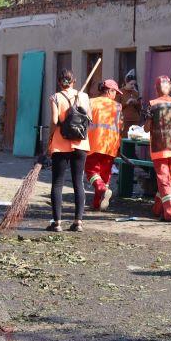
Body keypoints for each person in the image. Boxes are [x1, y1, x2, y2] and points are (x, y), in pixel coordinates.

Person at [46, 69, 90, 232]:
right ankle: (78, 222)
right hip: (80, 143)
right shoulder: (84, 97)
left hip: (60, 143)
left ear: (59, 82)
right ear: (74, 81)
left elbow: (54, 120)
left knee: (58, 183)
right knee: (78, 182)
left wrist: (49, 140)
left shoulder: (55, 97)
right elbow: (89, 120)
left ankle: (57, 223)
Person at [145, 76, 171, 222]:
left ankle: (170, 213)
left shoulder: (153, 104)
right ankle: (157, 209)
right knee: (167, 181)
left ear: (156, 88)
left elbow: (146, 128)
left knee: (163, 182)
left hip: (159, 148)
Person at [86, 79, 122, 212]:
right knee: (104, 175)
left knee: (92, 172)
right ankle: (97, 204)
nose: (115, 96)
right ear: (109, 91)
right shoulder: (118, 106)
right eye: (115, 92)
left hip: (94, 143)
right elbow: (120, 126)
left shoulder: (90, 102)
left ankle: (103, 190)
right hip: (111, 145)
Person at [118, 70, 142, 136]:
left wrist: (136, 102)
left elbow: (140, 108)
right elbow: (117, 107)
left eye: (134, 84)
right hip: (125, 121)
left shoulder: (135, 92)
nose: (133, 86)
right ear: (126, 82)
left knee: (133, 139)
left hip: (135, 120)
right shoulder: (120, 92)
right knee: (124, 139)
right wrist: (126, 103)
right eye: (131, 84)